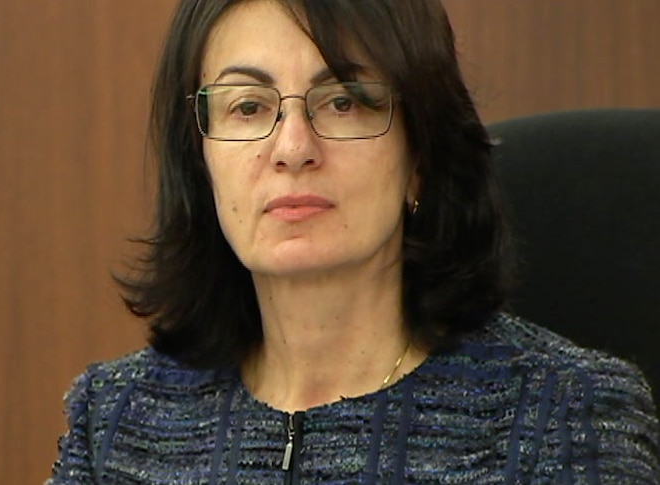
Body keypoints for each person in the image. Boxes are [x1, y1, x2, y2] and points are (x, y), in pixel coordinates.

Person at [47, 0, 659, 483]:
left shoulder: (567, 416)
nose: (291, 149)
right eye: (248, 107)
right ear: (200, 159)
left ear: (420, 154)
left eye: (342, 102)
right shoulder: (117, 420)